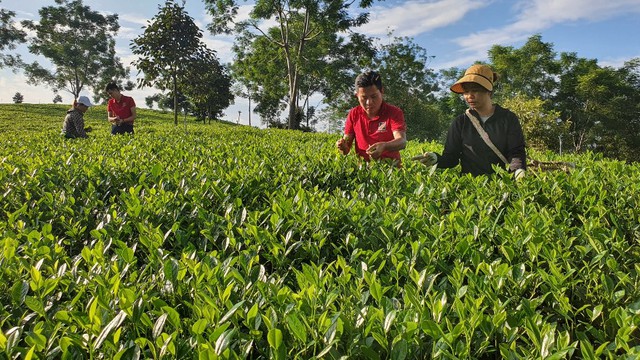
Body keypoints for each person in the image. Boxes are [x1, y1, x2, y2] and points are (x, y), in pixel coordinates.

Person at [413, 64, 526, 178]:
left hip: (503, 185)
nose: (469, 96)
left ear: (489, 91)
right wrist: (435, 158)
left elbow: (516, 152)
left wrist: (518, 170)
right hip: (472, 186)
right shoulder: (461, 122)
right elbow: (451, 159)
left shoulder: (508, 118)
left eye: (475, 90)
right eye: (466, 92)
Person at [336, 70, 407, 166]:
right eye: (364, 98)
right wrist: (343, 147)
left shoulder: (394, 113)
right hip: (364, 170)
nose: (369, 102)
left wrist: (385, 146)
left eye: (374, 96)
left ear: (381, 91)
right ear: (357, 96)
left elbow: (402, 141)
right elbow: (346, 149)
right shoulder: (354, 114)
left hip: (391, 170)